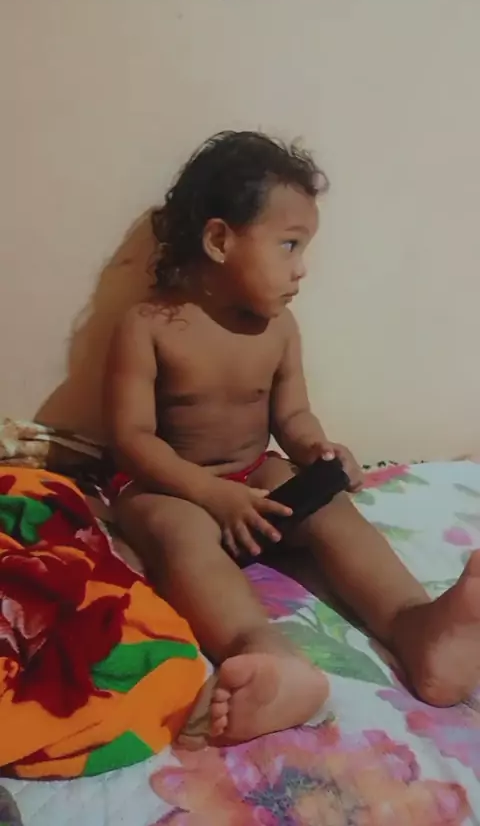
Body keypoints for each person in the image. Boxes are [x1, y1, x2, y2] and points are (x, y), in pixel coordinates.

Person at [106, 131, 480, 747]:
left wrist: (317, 451)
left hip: (254, 481)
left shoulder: (279, 330)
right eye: (289, 245)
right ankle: (264, 654)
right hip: (169, 485)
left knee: (326, 506)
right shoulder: (149, 326)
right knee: (182, 533)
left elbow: (293, 415)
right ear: (219, 240)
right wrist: (210, 494)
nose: (301, 267)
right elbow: (132, 437)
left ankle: (417, 628)